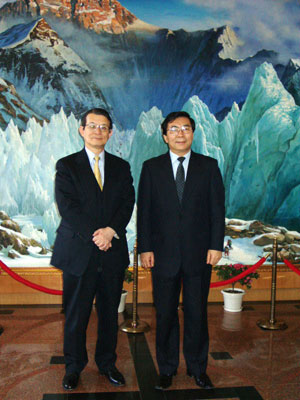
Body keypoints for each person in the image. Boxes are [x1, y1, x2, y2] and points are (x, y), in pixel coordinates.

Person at [137, 111, 225, 390]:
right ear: (164, 136)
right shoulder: (151, 168)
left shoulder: (209, 166)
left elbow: (217, 209)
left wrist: (215, 244)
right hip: (162, 254)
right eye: (173, 129)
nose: (179, 134)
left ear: (193, 133)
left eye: (185, 128)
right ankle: (166, 368)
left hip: (200, 254)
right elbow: (145, 212)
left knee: (197, 312)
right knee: (164, 313)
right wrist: (145, 248)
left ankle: (198, 368)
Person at [51, 108, 135, 390]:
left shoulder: (121, 167)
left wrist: (111, 231)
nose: (98, 131)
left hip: (111, 251)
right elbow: (68, 207)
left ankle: (107, 363)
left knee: (110, 314)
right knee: (76, 314)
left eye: (104, 127)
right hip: (79, 252)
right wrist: (95, 234)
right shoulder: (67, 166)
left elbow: (127, 203)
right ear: (81, 130)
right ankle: (73, 367)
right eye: (92, 126)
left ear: (111, 133)